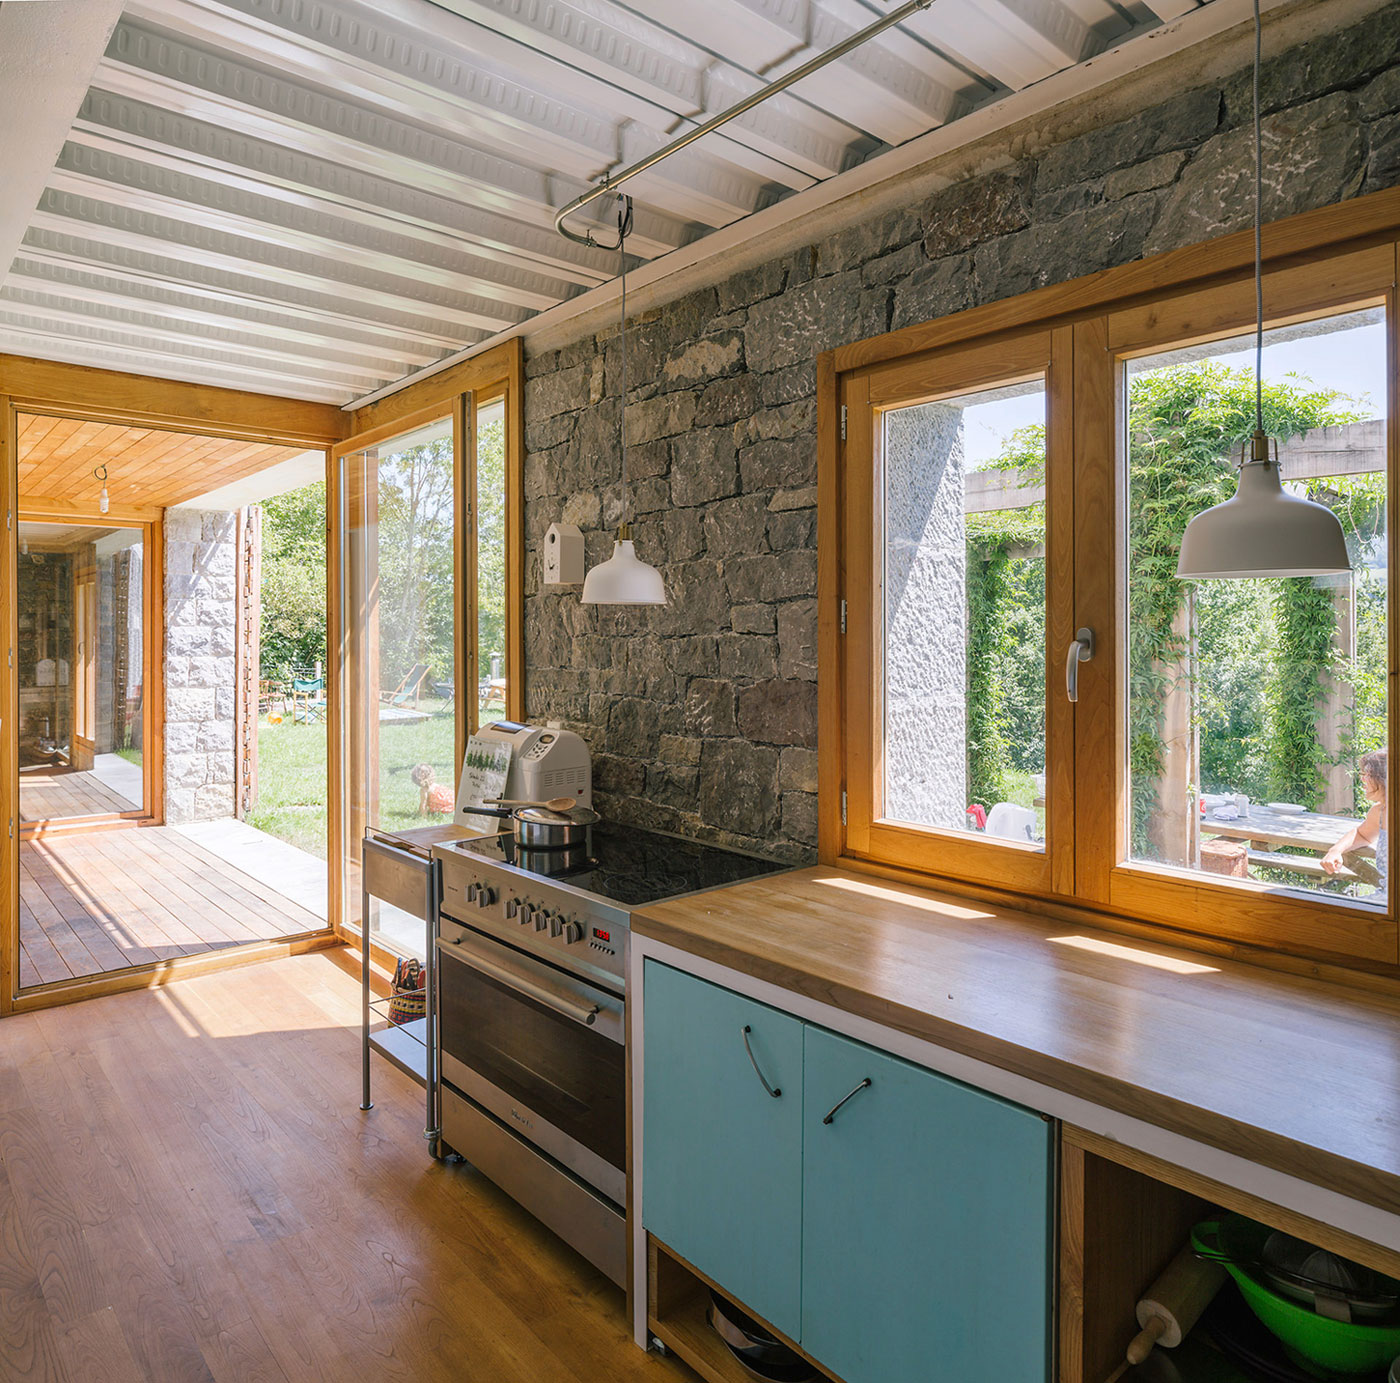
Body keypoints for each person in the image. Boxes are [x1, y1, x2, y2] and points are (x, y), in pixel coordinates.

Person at [1321, 748, 1387, 901]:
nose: (1362, 780)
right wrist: (1335, 851)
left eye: (1367, 775)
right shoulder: (1380, 811)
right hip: (1385, 899)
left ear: (1384, 779)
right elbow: (1362, 834)